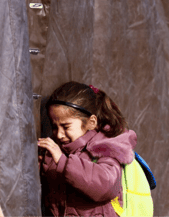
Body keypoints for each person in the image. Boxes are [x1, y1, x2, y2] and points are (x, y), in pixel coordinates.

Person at [38, 81, 137, 216]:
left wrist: (63, 163)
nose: (59, 134)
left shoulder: (105, 149)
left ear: (91, 122)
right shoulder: (57, 151)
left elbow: (106, 186)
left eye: (66, 127)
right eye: (54, 127)